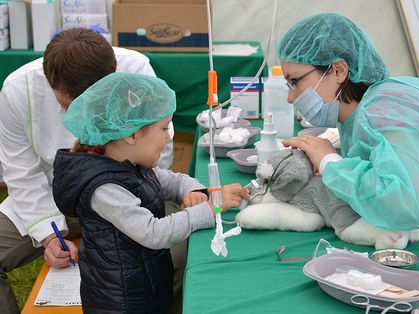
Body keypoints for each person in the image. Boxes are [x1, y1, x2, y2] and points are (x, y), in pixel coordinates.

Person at [278, 13, 419, 313]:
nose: (291, 97)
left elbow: (409, 204)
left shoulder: (388, 110)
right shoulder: (365, 108)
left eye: (295, 82)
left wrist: (329, 162)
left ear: (339, 70)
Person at [0, 28, 175, 313]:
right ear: (51, 83)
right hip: (52, 196)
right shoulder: (18, 91)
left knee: (169, 259)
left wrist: (128, 206)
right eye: (70, 105)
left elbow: (159, 148)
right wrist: (49, 234)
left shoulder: (136, 69)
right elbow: (21, 172)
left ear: (112, 75)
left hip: (130, 193)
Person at [51, 72, 247, 313]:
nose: (168, 137)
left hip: (144, 288)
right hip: (120, 304)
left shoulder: (131, 164)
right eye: (164, 128)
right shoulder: (104, 189)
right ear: (132, 134)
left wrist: (194, 190)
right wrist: (208, 208)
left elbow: (174, 181)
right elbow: (153, 233)